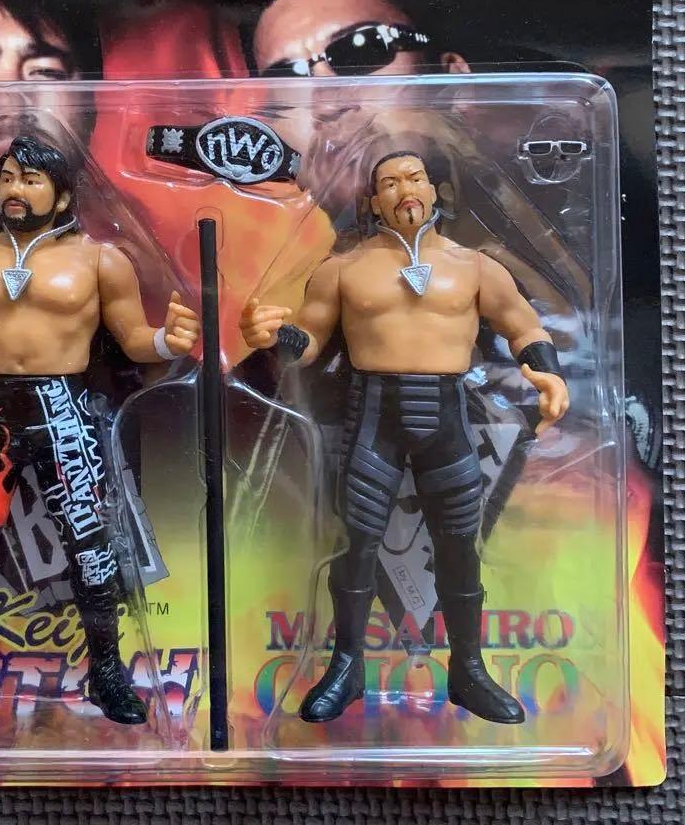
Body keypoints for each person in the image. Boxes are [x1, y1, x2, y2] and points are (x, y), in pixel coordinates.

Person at [0, 135, 201, 724]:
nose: (14, 190)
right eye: (7, 178)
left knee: (91, 545)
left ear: (63, 194)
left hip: (63, 406)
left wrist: (169, 343)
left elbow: (132, 339)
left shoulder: (100, 260)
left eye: (29, 179)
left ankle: (107, 673)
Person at [239, 150, 569, 725]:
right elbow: (310, 341)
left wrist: (547, 373)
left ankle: (468, 670)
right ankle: (347, 668)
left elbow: (524, 325)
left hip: (448, 414)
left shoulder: (475, 267)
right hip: (374, 414)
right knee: (357, 542)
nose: (404, 190)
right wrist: (272, 337)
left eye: (414, 178)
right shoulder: (344, 269)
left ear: (434, 189)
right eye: (389, 182)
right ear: (373, 201)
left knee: (460, 546)